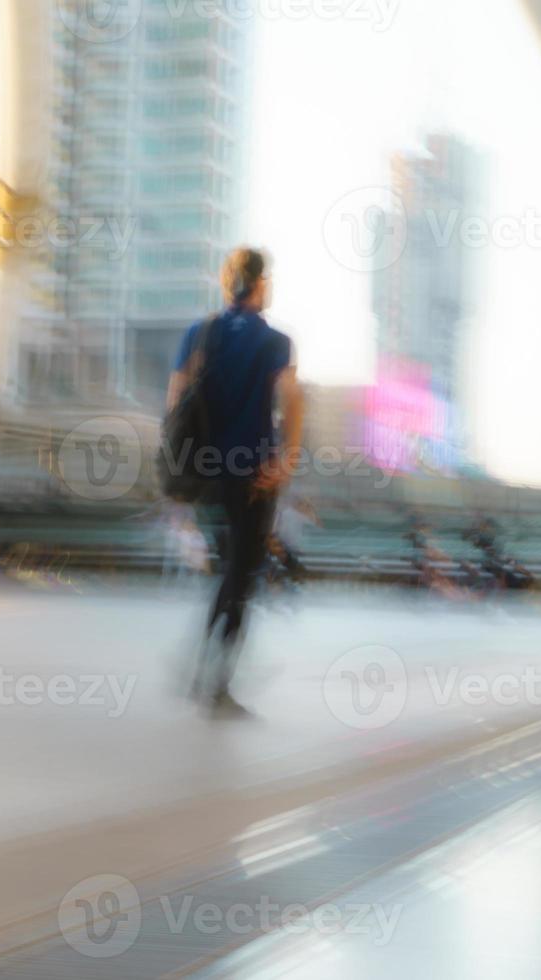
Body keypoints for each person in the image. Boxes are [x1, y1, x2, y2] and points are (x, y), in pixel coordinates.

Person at [167, 248, 304, 718]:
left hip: (206, 473)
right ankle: (215, 681)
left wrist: (181, 468)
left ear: (228, 285)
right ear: (260, 284)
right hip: (254, 474)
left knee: (228, 570)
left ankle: (204, 670)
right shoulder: (276, 342)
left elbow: (175, 400)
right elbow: (291, 396)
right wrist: (286, 457)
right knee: (242, 576)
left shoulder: (199, 333)